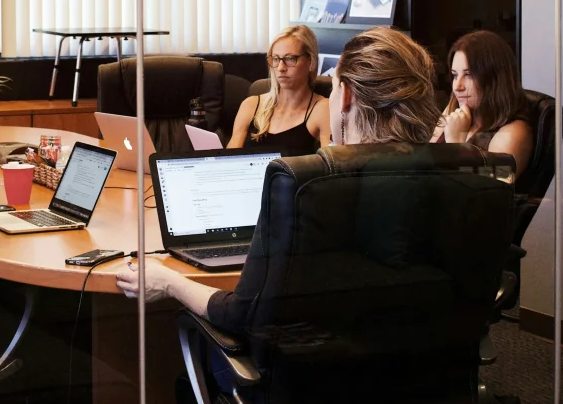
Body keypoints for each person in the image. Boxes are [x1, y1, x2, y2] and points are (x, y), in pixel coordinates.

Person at [116, 27, 441, 332]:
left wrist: (169, 281)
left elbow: (241, 312)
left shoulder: (306, 194)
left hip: (317, 379)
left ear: (345, 99)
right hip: (436, 377)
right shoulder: (463, 178)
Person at [430, 30, 533, 178]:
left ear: (494, 78)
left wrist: (456, 145)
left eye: (469, 75)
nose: (457, 86)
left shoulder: (513, 133)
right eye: (454, 75)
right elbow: (426, 165)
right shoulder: (455, 110)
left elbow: (487, 192)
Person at [226, 25, 331, 153]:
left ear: (311, 61)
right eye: (275, 59)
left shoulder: (323, 109)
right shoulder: (251, 105)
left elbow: (332, 166)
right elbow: (228, 161)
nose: (281, 67)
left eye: (290, 59)